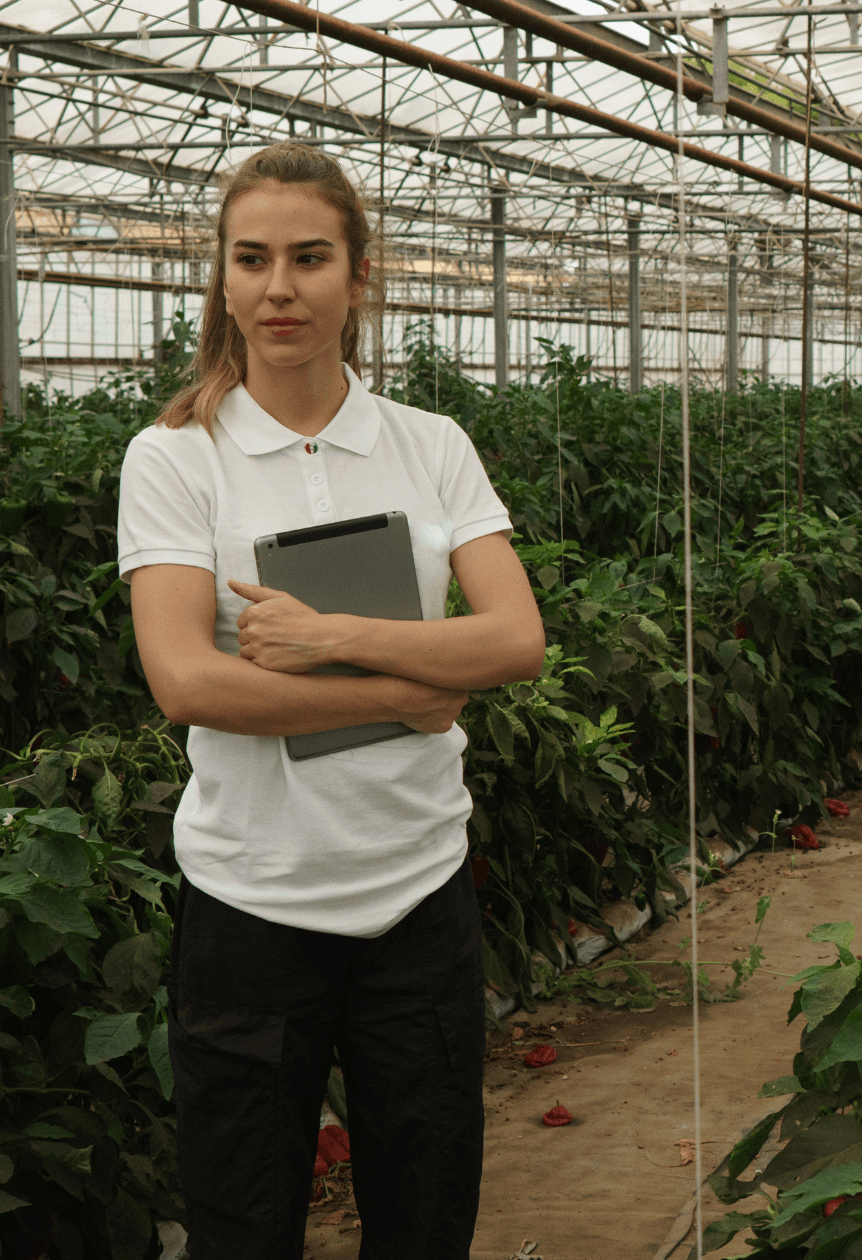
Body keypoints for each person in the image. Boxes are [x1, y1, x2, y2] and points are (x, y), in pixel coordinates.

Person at [116, 143, 546, 1260]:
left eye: (309, 258)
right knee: (241, 1221)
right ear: (221, 278)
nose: (277, 287)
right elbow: (184, 679)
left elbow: (515, 636)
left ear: (359, 277)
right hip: (249, 902)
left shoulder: (429, 446)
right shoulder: (177, 458)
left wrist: (330, 641)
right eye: (250, 259)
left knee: (425, 1211)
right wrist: (411, 689)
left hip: (417, 891)